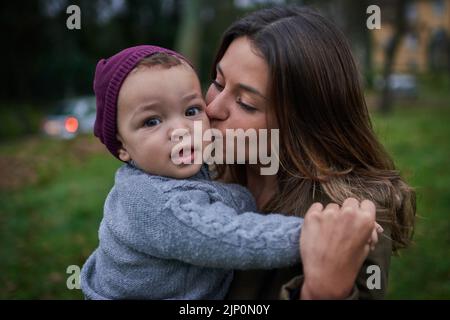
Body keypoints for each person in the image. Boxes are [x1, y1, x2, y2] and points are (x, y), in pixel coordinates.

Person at [80, 45, 379, 299]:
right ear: (122, 148)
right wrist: (322, 235)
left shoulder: (189, 167)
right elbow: (233, 237)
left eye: (191, 110)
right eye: (151, 122)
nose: (182, 130)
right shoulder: (157, 203)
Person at [205, 5, 416, 299]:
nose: (212, 108)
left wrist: (322, 291)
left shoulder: (349, 216)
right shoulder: (199, 170)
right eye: (218, 82)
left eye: (246, 103)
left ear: (303, 124)